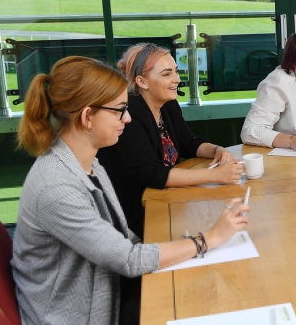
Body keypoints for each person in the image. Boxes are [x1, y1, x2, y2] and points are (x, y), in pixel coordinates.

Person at [12, 56, 248, 325]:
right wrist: (209, 240)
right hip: (75, 311)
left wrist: (188, 243)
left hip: (100, 285)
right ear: (88, 116)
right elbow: (127, 258)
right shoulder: (56, 186)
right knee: (198, 302)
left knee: (197, 284)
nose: (127, 119)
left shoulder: (82, 160)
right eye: (120, 111)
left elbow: (123, 243)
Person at [97, 43, 244, 239]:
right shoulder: (129, 116)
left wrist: (216, 150)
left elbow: (187, 142)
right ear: (142, 81)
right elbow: (153, 174)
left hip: (166, 200)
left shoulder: (167, 104)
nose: (176, 79)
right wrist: (216, 175)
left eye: (175, 71)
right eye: (167, 74)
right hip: (137, 215)